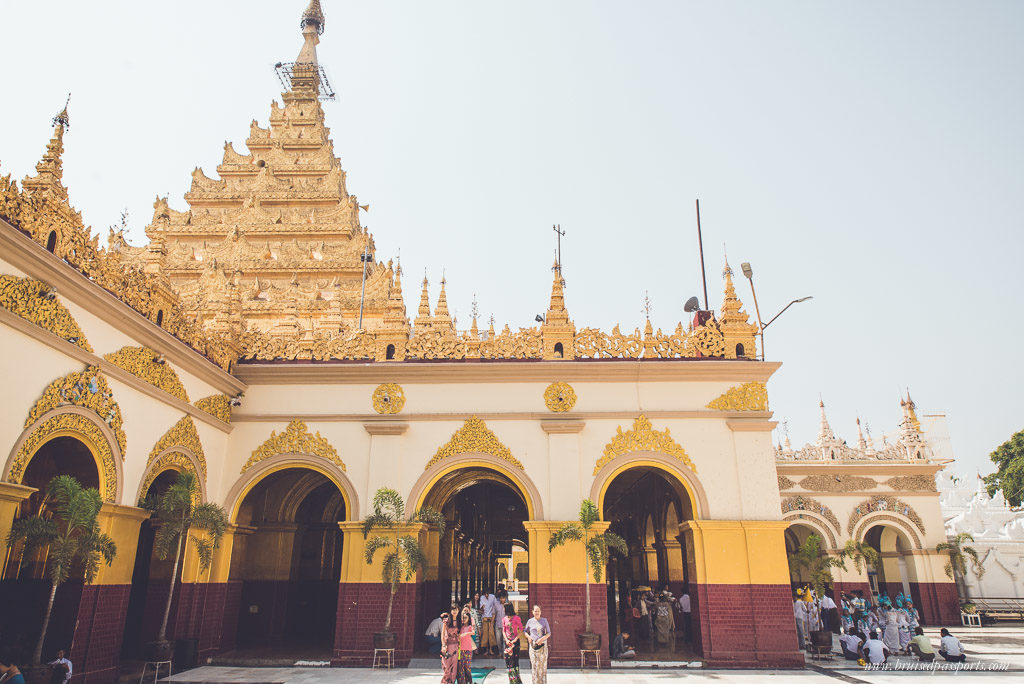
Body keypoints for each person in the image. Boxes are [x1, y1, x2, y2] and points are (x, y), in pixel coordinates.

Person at [524, 604, 551, 684]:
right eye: (535, 611)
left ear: (541, 612)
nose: (537, 612)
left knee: (542, 667)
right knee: (535, 667)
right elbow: (525, 631)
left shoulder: (544, 620)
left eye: (538, 611)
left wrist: (541, 639)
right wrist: (529, 637)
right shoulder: (530, 621)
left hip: (542, 646)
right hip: (533, 647)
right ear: (532, 612)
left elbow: (549, 633)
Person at [501, 603, 524, 684]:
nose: (503, 610)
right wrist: (506, 640)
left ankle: (517, 681)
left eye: (504, 608)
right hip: (507, 643)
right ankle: (511, 681)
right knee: (508, 661)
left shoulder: (517, 618)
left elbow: (521, 630)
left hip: (515, 643)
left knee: (515, 661)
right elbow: (503, 631)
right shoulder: (504, 619)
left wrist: (515, 640)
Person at [440, 608, 461, 684]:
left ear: (458, 611)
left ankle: (451, 682)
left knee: (454, 667)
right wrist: (443, 645)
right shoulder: (447, 621)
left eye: (456, 610)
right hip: (447, 646)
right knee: (447, 667)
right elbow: (443, 634)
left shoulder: (460, 622)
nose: (455, 611)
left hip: (455, 646)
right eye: (453, 609)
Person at [458, 604, 476, 684]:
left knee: (467, 666)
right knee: (461, 666)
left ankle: (470, 681)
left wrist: (465, 634)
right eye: (463, 618)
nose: (464, 619)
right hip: (461, 649)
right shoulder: (460, 627)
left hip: (468, 649)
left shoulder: (469, 626)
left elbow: (473, 632)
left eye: (465, 618)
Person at [480, 588, 499, 656]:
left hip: (491, 618)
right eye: (485, 594)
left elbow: (495, 606)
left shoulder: (493, 597)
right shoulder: (482, 598)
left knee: (491, 635)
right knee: (485, 635)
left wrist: (493, 619)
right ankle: (486, 650)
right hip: (484, 618)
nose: (486, 595)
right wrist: (482, 608)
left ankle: (491, 649)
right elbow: (481, 610)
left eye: (487, 594)